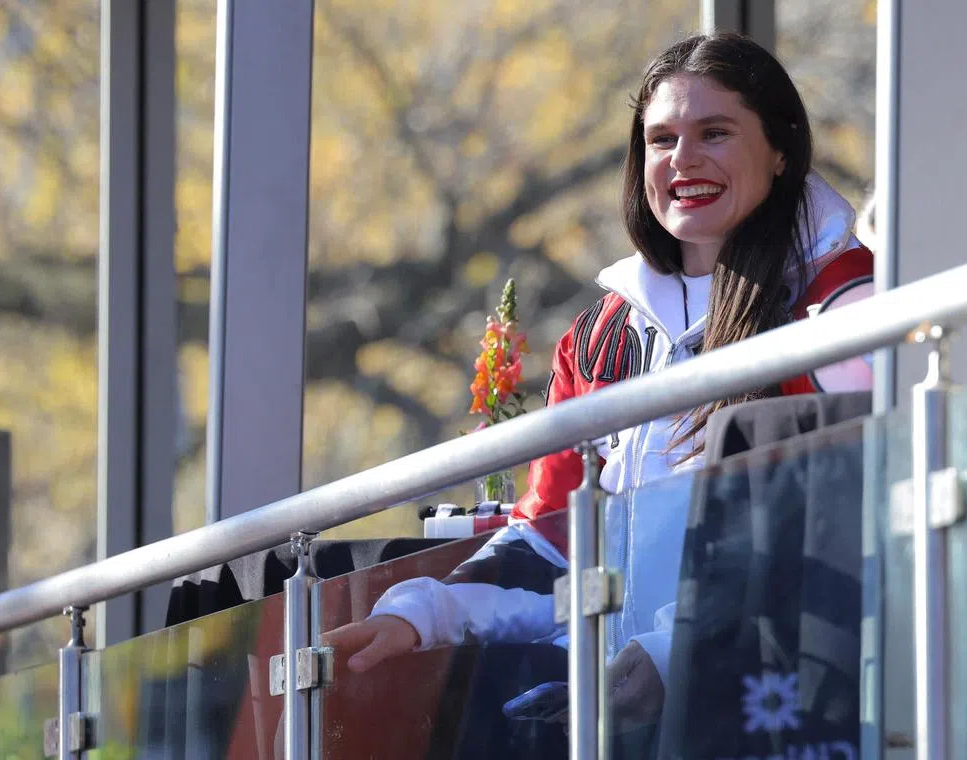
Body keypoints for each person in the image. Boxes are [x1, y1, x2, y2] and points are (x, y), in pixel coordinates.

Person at [322, 32, 875, 732]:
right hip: (625, 712)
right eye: (662, 139)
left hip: (788, 712)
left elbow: (847, 530)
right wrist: (419, 615)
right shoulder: (600, 334)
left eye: (715, 133)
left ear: (782, 150)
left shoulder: (843, 305)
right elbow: (552, 543)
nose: (684, 160)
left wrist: (678, 654)